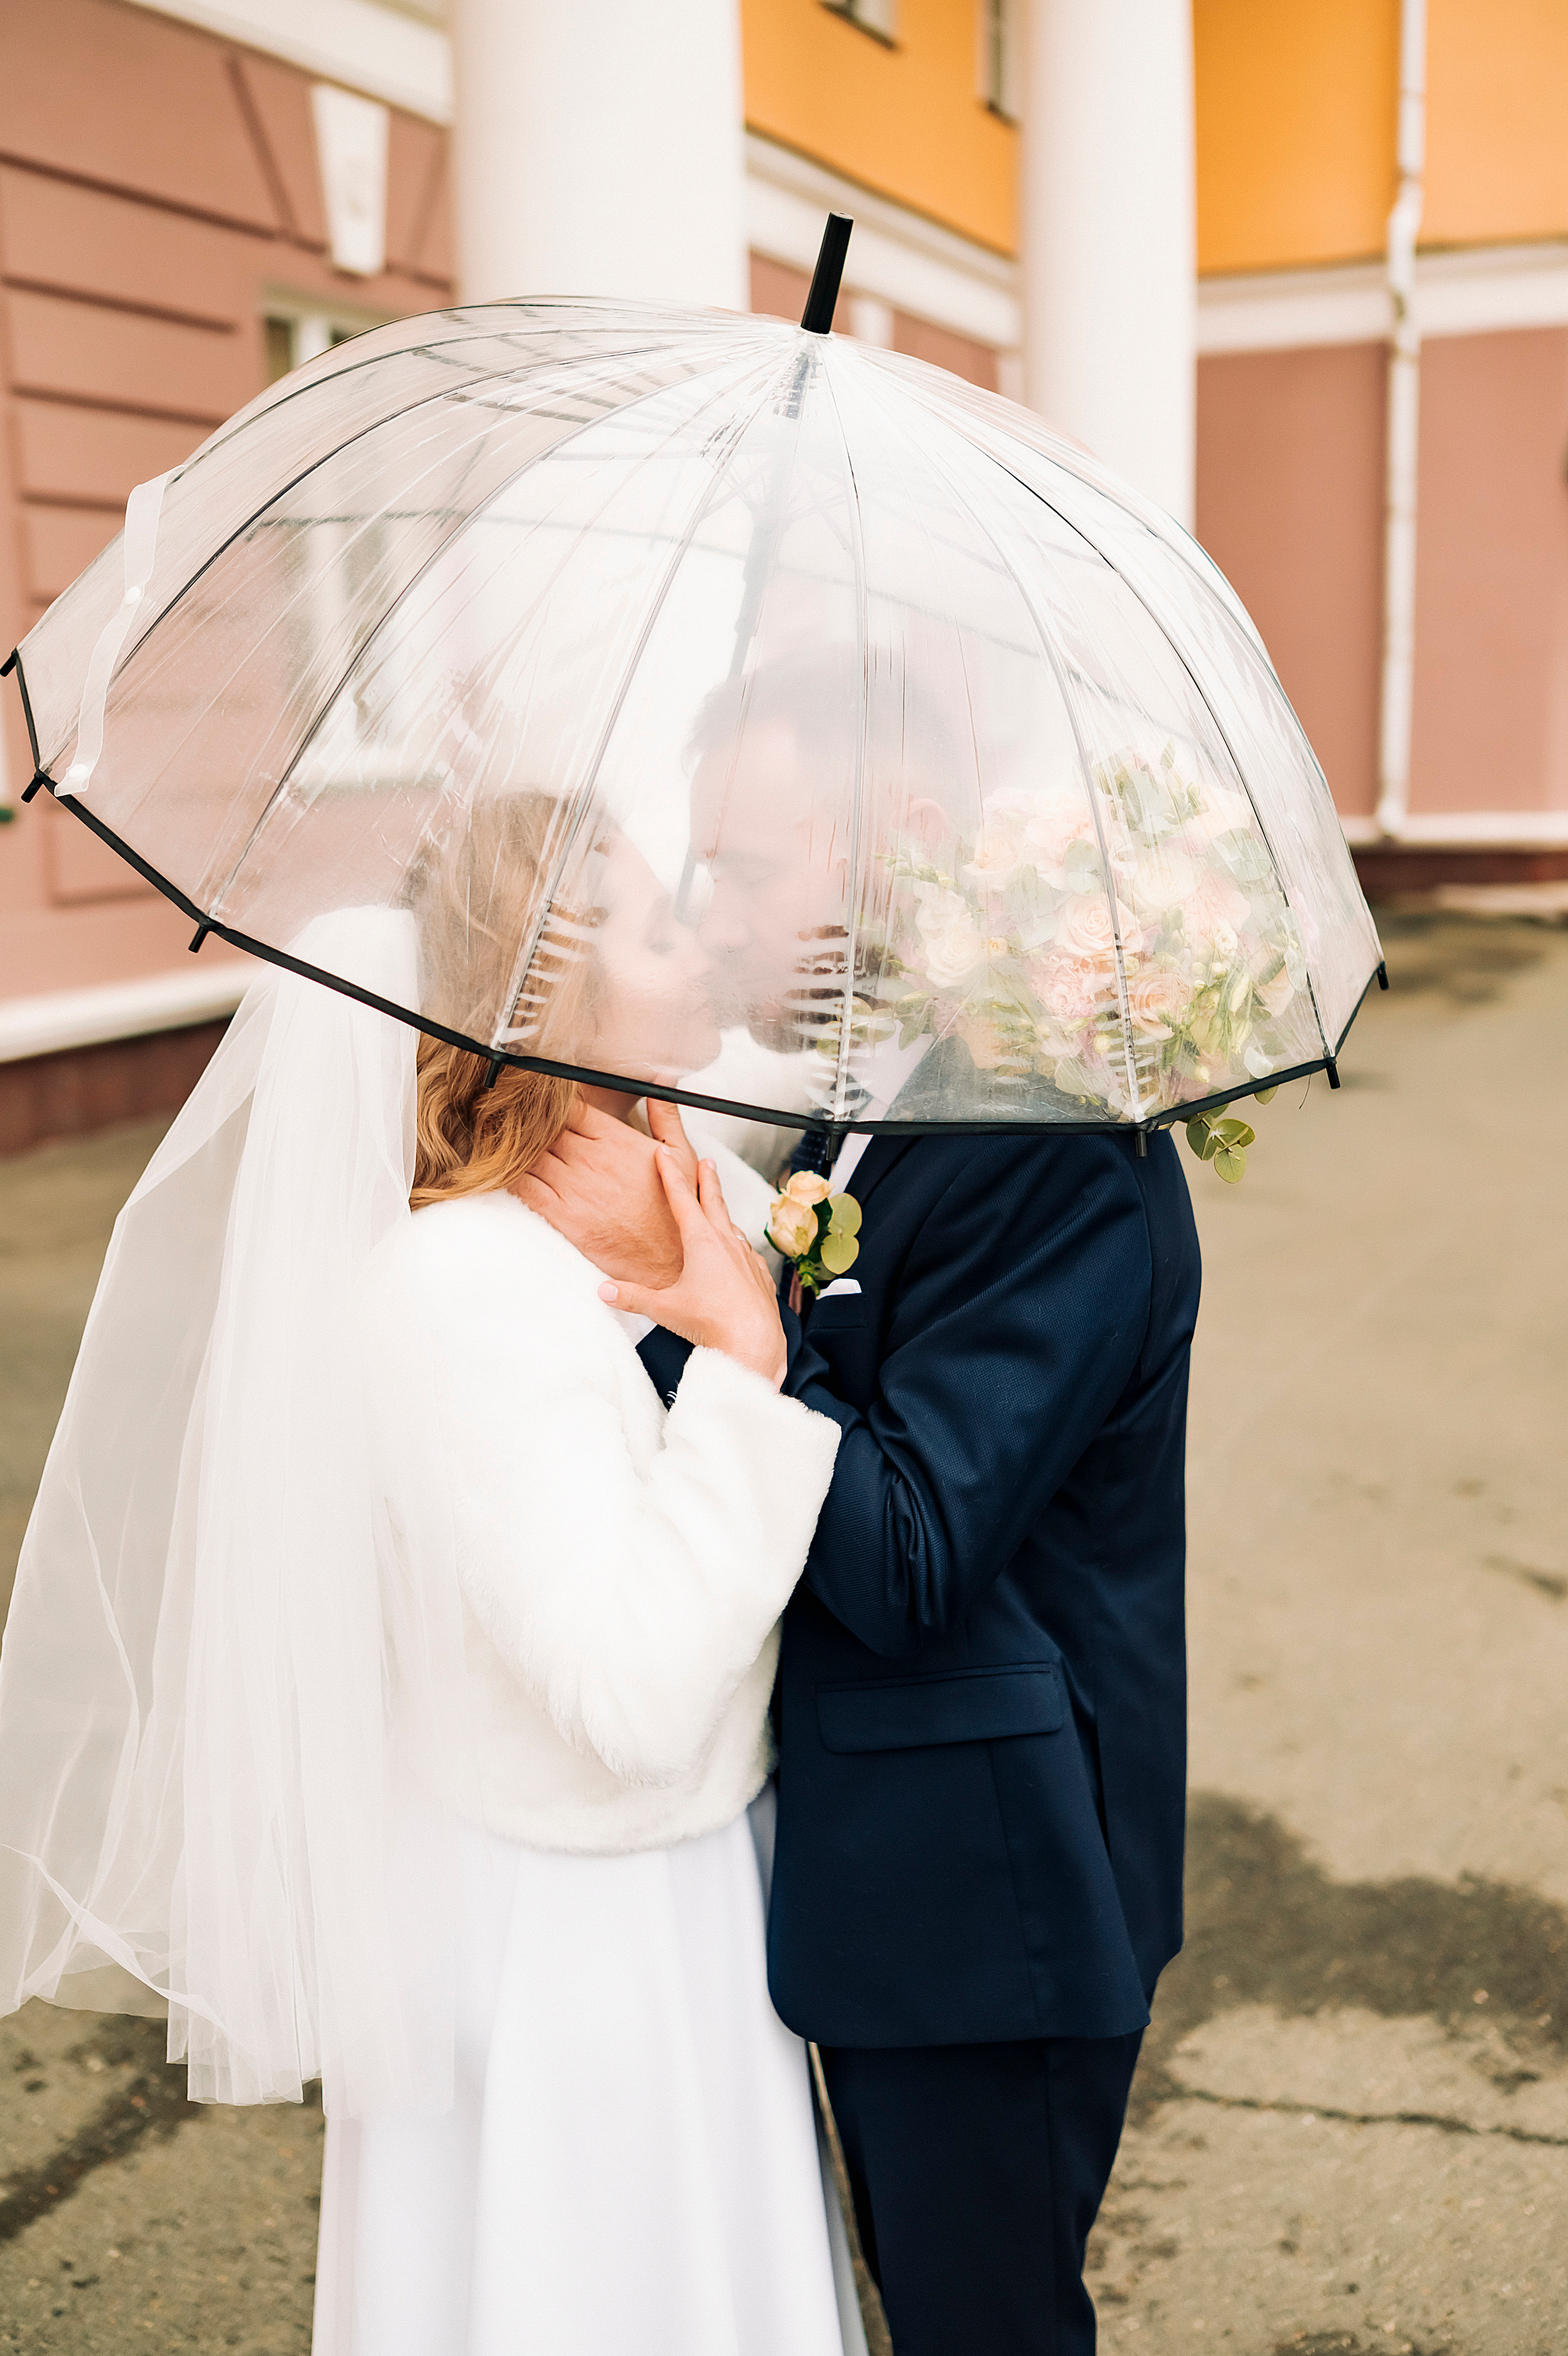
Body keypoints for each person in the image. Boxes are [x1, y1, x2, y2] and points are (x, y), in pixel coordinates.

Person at [0, 793, 856, 2356]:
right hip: (566, 1946)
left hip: (699, 1898)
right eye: (660, 924)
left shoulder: (700, 1194)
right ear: (552, 1001)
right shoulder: (458, 1289)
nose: (703, 941)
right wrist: (745, 1368)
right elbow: (631, 1698)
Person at [522, 664, 1204, 2355]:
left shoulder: (1048, 1141)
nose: (711, 912)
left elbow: (908, 1556)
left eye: (744, 867)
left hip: (997, 1888)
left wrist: (719, 1321)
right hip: (894, 1870)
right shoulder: (872, 1098)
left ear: (892, 845)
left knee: (983, 2327)